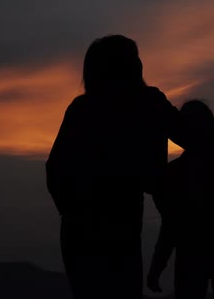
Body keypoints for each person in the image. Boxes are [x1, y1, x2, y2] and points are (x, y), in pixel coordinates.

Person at [45, 34, 183, 299]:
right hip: (118, 228)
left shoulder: (82, 108)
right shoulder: (148, 103)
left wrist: (72, 211)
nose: (141, 64)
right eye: (135, 59)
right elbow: (191, 137)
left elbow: (54, 170)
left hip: (81, 231)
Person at [146, 100, 214, 299]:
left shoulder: (174, 172)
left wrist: (157, 267)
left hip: (193, 250)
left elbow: (169, 227)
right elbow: (169, 225)